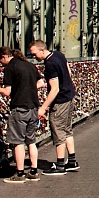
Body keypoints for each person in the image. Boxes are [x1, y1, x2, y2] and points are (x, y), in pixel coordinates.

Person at [0, 47, 41, 183]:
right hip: (33, 107)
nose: (1, 64)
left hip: (19, 108)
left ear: (4, 56)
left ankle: (20, 174)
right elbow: (41, 82)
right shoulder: (30, 65)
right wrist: (27, 88)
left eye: (0, 61)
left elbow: (7, 92)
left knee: (17, 142)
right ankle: (33, 171)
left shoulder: (10, 67)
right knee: (31, 141)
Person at [29, 40, 79, 175]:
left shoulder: (50, 64)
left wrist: (43, 107)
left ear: (42, 50)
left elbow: (55, 89)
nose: (34, 58)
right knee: (67, 129)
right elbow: (68, 71)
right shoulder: (58, 55)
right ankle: (72, 161)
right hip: (69, 95)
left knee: (58, 131)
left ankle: (60, 164)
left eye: (34, 54)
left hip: (60, 100)